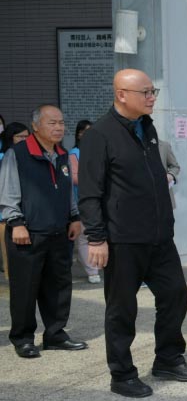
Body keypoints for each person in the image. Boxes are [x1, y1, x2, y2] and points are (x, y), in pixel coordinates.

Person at [79, 69, 187, 398]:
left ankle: (168, 358)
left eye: (153, 91)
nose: (151, 97)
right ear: (121, 95)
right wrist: (97, 238)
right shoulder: (99, 136)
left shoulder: (146, 128)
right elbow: (90, 193)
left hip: (159, 236)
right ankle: (122, 374)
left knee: (176, 294)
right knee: (121, 308)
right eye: (145, 92)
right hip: (122, 240)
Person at [0, 105, 88, 358]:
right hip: (27, 233)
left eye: (61, 122)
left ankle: (56, 334)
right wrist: (16, 223)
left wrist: (74, 217)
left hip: (59, 232)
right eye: (52, 123)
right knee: (25, 288)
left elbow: (68, 191)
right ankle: (23, 338)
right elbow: (7, 192)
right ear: (36, 126)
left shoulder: (62, 154)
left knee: (59, 286)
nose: (59, 127)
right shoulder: (17, 154)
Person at [69, 120, 101, 284]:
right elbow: (74, 177)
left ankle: (97, 265)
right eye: (85, 131)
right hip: (83, 200)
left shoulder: (100, 150)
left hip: (101, 199)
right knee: (83, 236)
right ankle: (92, 270)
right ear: (79, 134)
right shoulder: (74, 153)